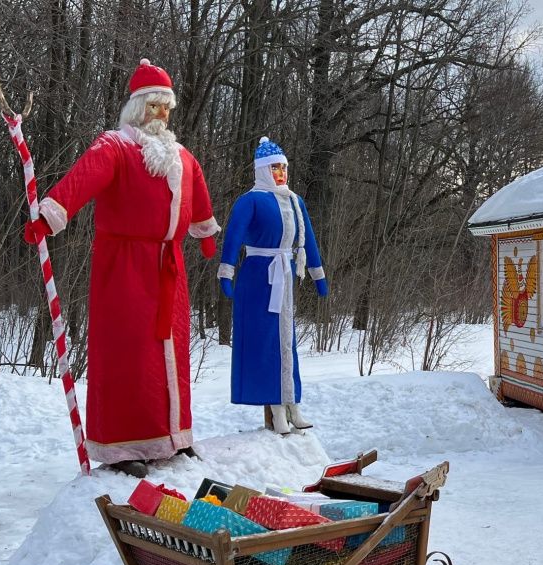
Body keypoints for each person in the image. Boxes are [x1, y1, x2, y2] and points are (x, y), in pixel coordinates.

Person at [23, 59, 220, 477]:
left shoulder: (181, 155)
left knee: (171, 351)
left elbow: (197, 189)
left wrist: (204, 232)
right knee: (129, 351)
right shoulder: (114, 146)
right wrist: (52, 213)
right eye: (154, 105)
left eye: (166, 107)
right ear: (136, 108)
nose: (161, 115)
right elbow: (83, 178)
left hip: (169, 265)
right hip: (124, 268)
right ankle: (121, 445)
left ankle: (173, 436)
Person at [219, 137, 328, 434]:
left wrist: (318, 274)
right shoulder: (250, 201)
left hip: (286, 273)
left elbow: (309, 240)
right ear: (263, 170)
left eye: (283, 167)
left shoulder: (295, 201)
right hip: (258, 278)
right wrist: (226, 272)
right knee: (265, 342)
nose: (281, 173)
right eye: (274, 168)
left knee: (286, 341)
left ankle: (292, 402)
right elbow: (233, 237)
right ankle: (275, 407)